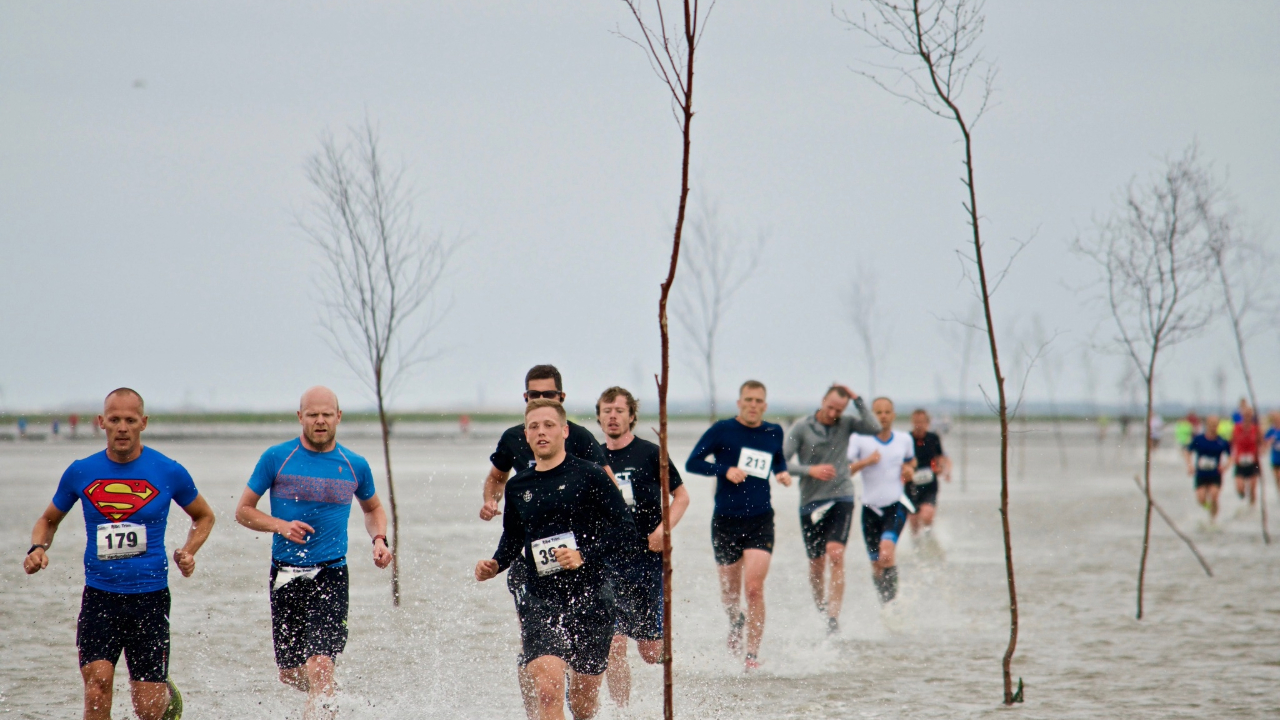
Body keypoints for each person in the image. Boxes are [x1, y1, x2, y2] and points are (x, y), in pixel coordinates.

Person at [23, 388, 214, 720]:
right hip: (100, 597)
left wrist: (188, 550)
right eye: (114, 420)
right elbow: (47, 520)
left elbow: (204, 516)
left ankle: (167, 699)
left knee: (148, 710)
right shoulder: (81, 472)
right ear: (101, 422)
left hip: (150, 600)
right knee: (97, 687)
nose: (122, 427)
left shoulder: (169, 471)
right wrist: (38, 547)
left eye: (129, 420)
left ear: (144, 423)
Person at [235, 387, 393, 720]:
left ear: (338, 416)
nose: (319, 421)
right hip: (286, 574)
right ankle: (328, 697)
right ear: (300, 417)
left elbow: (373, 507)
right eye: (312, 414)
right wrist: (279, 525)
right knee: (291, 672)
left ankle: (323, 699)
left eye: (326, 414)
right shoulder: (277, 458)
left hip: (332, 573)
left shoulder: (354, 465)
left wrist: (379, 539)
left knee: (320, 663)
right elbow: (244, 511)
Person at [475, 400, 637, 720]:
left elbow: (626, 531)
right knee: (548, 690)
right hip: (540, 595)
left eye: (549, 425)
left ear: (564, 431)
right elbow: (512, 537)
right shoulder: (519, 485)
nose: (541, 432)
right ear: (526, 435)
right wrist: (495, 564)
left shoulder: (590, 475)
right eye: (534, 427)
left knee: (583, 704)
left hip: (591, 595)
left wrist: (583, 555)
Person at [685, 380, 792, 671]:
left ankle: (752, 655)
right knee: (730, 593)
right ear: (739, 403)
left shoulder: (774, 431)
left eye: (758, 400)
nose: (753, 405)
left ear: (765, 405)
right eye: (748, 400)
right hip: (726, 520)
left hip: (760, 518)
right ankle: (735, 621)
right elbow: (692, 462)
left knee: (754, 588)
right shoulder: (722, 429)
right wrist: (724, 469)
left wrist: (781, 473)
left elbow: (777, 458)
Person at [595, 386, 689, 708]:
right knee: (615, 644)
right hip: (608, 563)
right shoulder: (590, 458)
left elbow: (682, 496)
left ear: (631, 416)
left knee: (651, 653)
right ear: (598, 416)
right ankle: (622, 711)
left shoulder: (650, 453)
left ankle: (674, 676)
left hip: (648, 561)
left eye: (619, 410)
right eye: (607, 410)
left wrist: (664, 530)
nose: (612, 416)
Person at [782, 384, 877, 635]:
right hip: (811, 501)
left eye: (839, 409)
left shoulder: (846, 423)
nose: (833, 413)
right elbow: (780, 462)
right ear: (822, 400)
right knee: (816, 564)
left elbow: (874, 427)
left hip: (841, 495)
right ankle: (821, 609)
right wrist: (809, 470)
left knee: (835, 553)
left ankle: (834, 618)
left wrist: (857, 399)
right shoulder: (802, 427)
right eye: (830, 406)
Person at [847, 397, 915, 604]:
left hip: (895, 505)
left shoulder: (904, 439)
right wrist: (866, 461)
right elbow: (846, 471)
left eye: (887, 412)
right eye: (878, 412)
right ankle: (884, 602)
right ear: (871, 416)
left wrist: (909, 469)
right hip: (869, 509)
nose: (883, 416)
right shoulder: (859, 439)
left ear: (893, 415)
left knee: (887, 553)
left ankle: (893, 603)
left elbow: (911, 460)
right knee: (876, 564)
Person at [906, 409, 952, 539]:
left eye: (921, 422)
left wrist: (944, 470)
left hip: (930, 484)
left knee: (927, 514)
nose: (918, 425)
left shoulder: (933, 438)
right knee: (914, 521)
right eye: (916, 422)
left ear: (927, 423)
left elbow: (941, 457)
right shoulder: (907, 439)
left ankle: (929, 537)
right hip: (911, 485)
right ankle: (916, 545)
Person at [1186, 415, 1230, 522]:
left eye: (1215, 425)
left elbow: (1232, 455)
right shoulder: (1199, 439)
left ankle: (1213, 520)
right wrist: (1190, 465)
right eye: (1211, 425)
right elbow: (1187, 451)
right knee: (1201, 500)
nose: (1213, 427)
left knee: (1214, 496)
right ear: (1206, 425)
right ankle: (1209, 509)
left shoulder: (1222, 441)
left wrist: (1225, 466)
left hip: (1215, 474)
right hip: (1201, 474)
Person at [1231, 406, 1262, 505]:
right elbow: (1232, 442)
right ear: (1242, 415)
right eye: (1245, 414)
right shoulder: (1236, 428)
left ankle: (1252, 507)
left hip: (1253, 461)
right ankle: (1243, 502)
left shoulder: (1256, 429)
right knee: (1240, 488)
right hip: (1240, 461)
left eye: (1249, 414)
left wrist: (1260, 451)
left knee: (1253, 488)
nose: (1247, 416)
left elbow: (1261, 442)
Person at [1266, 411, 1280, 496]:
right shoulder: (1271, 430)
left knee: (1279, 476)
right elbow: (1265, 442)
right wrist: (1270, 441)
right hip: (1274, 458)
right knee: (1276, 478)